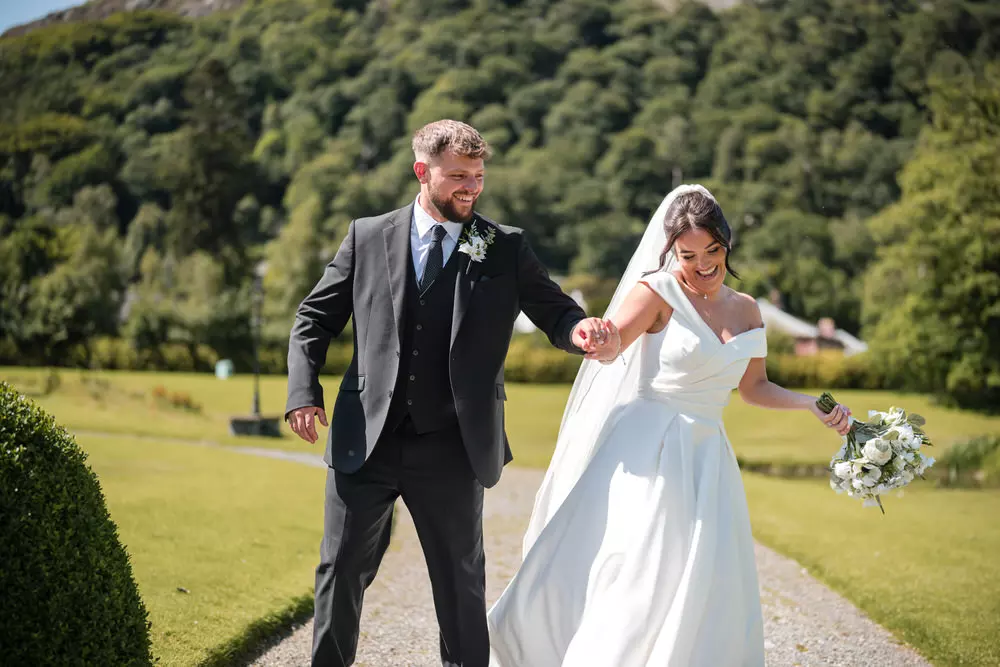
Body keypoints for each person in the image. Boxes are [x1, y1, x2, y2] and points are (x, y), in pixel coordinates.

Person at [284, 119, 614, 667]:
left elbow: (556, 310)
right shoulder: (368, 236)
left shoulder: (503, 246)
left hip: (454, 444)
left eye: (478, 176)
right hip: (365, 437)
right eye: (458, 176)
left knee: (460, 584)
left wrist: (579, 331)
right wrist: (303, 391)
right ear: (422, 172)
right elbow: (313, 318)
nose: (471, 187)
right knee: (340, 569)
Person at [487, 184, 852, 666]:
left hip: (707, 455)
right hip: (648, 449)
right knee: (642, 568)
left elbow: (754, 387)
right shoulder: (656, 292)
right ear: (671, 251)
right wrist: (598, 337)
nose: (702, 264)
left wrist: (811, 404)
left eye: (712, 251)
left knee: (702, 574)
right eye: (688, 254)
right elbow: (614, 343)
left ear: (726, 244)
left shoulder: (747, 309)